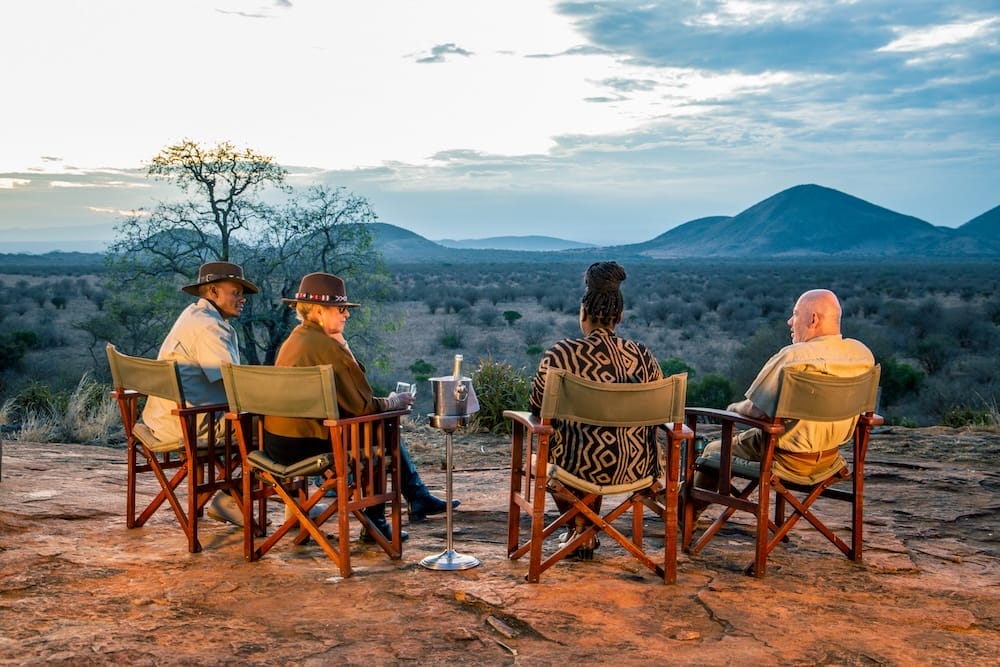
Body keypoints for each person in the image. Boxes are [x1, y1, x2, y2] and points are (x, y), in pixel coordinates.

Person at [262, 272, 458, 544]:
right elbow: (363, 406)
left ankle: (414, 497)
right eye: (341, 309)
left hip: (277, 444)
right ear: (319, 310)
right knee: (382, 425)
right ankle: (378, 521)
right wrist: (394, 402)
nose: (347, 315)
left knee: (376, 424)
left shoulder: (296, 339)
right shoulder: (327, 346)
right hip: (308, 445)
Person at [691, 288, 876, 516]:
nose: (790, 321)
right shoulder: (862, 354)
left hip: (785, 460)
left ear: (813, 319)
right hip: (830, 459)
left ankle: (685, 511)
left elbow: (756, 411)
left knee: (713, 450)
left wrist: (732, 408)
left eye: (796, 314)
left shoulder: (794, 358)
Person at [530, 261, 662, 560]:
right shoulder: (643, 356)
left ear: (583, 313)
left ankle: (581, 528)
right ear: (619, 316)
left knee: (554, 448)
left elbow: (537, 409)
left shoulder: (560, 355)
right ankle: (584, 530)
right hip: (637, 468)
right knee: (597, 439)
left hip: (578, 467)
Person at [141, 260, 258, 526]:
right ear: (213, 291)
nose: (242, 299)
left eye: (242, 293)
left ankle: (231, 497)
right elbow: (233, 382)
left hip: (163, 419)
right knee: (272, 427)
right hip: (189, 424)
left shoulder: (193, 315)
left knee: (253, 421)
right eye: (236, 292)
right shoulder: (210, 327)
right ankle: (236, 499)